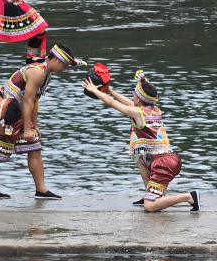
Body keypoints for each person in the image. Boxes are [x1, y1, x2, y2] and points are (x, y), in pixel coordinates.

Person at [0, 44, 84, 201]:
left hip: (20, 111)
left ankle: (41, 189)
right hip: (8, 112)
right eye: (65, 65)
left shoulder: (46, 73)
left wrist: (35, 125)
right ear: (57, 61)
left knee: (35, 148)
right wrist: (27, 129)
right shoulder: (37, 72)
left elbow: (34, 100)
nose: (65, 69)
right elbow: (27, 100)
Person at [82, 69, 199, 212]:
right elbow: (128, 103)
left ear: (139, 99)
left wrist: (95, 90)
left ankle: (189, 197)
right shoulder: (152, 109)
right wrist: (110, 90)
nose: (133, 97)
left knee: (149, 207)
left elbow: (112, 104)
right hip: (163, 159)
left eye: (134, 95)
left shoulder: (138, 112)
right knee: (140, 157)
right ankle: (150, 194)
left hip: (164, 163)